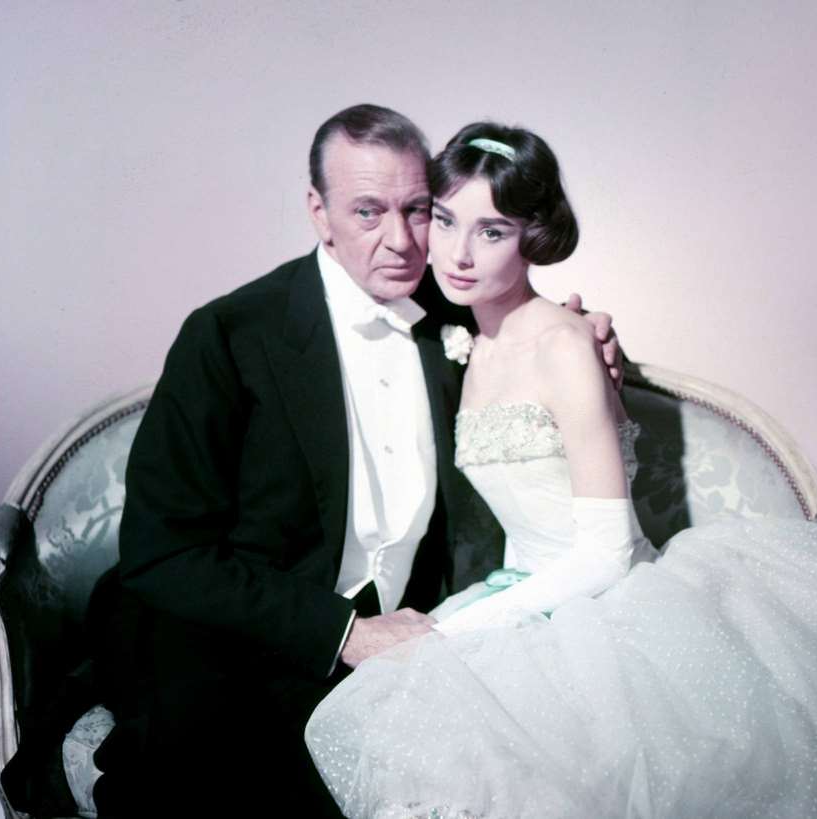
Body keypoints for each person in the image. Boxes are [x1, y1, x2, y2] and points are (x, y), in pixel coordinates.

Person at [304, 122, 817, 819]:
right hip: (523, 594)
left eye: (492, 230)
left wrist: (460, 632)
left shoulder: (565, 345)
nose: (455, 252)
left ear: (533, 236)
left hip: (608, 610)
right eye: (447, 220)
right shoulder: (462, 342)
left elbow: (605, 552)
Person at [84, 105, 621, 818]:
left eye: (418, 210)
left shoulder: (458, 309)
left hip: (413, 635)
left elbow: (538, 336)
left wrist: (599, 340)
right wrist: (342, 633)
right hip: (246, 636)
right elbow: (161, 552)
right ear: (318, 211)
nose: (401, 241)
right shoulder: (230, 333)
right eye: (368, 212)